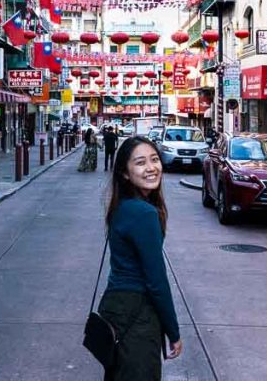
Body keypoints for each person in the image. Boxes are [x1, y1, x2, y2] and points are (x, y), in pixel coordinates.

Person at [98, 137, 182, 380]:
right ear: (125, 173)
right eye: (140, 163)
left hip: (115, 308)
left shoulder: (121, 206)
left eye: (155, 160)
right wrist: (173, 331)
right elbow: (156, 281)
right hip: (137, 314)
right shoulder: (144, 213)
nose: (151, 168)